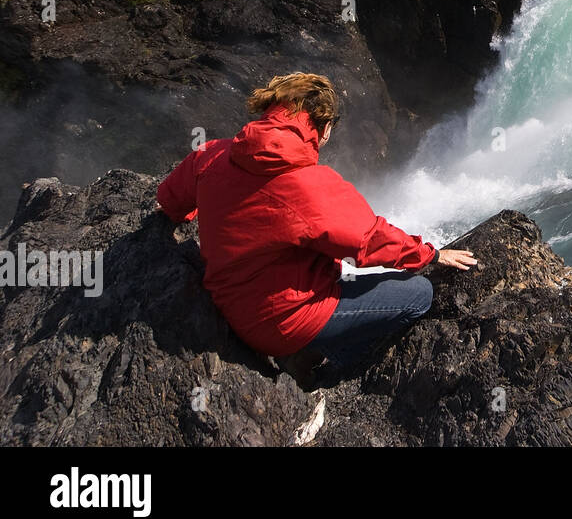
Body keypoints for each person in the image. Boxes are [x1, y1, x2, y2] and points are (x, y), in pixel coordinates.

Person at [155, 72, 476, 386]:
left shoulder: (213, 153)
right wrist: (430, 254)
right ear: (322, 126)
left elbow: (170, 199)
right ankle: (328, 372)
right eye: (331, 126)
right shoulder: (306, 186)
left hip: (230, 301)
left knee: (338, 273)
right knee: (419, 294)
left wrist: (202, 212)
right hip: (281, 321)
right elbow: (367, 240)